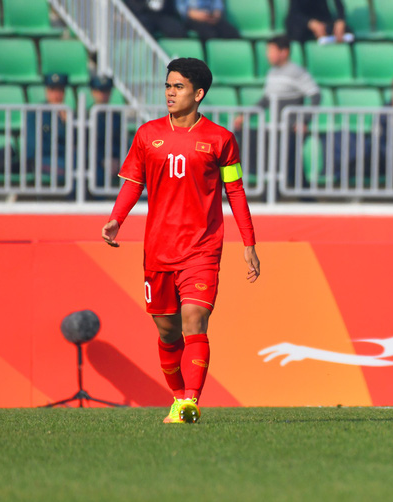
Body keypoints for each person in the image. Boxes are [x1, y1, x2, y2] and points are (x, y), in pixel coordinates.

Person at [101, 58, 260, 424]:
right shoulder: (147, 134)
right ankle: (177, 399)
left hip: (202, 248)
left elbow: (235, 191)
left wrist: (248, 242)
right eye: (168, 86)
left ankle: (191, 401)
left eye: (178, 87)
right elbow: (134, 183)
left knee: (194, 319)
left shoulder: (221, 139)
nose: (170, 93)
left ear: (198, 93)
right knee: (167, 331)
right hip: (158, 249)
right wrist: (116, 219)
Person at [233, 35, 320, 185]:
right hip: (276, 128)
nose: (268, 55)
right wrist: (245, 115)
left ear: (284, 52)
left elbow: (315, 96)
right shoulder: (272, 73)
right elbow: (266, 100)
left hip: (290, 129)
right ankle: (300, 194)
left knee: (286, 161)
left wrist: (304, 121)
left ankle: (274, 193)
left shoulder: (297, 72)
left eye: (271, 51)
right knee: (288, 163)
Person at [26, 73, 71, 179]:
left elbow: (77, 142)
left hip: (63, 158)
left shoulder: (68, 114)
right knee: (70, 169)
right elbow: (35, 146)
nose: (57, 95)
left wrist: (67, 123)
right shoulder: (36, 113)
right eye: (53, 90)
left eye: (60, 90)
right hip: (41, 159)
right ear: (46, 91)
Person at [89, 75, 122, 189]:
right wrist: (102, 160)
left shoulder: (116, 117)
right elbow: (85, 145)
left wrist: (117, 159)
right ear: (93, 92)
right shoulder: (86, 116)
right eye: (100, 91)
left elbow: (121, 142)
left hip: (114, 161)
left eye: (106, 91)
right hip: (94, 161)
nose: (103, 95)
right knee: (97, 175)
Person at [286, 0, 351, 43]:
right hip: (301, 23)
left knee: (346, 31)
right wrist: (310, 23)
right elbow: (294, 13)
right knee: (298, 33)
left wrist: (340, 20)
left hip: (322, 21)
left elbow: (339, 5)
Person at [175, 0, 240, 43]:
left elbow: (218, 6)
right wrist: (191, 13)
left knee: (232, 33)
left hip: (211, 17)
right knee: (209, 34)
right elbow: (181, 8)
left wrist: (216, 12)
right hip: (192, 19)